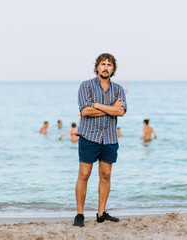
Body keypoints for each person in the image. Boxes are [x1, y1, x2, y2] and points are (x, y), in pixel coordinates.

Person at [73, 53, 127, 227]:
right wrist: (111, 108)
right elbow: (85, 111)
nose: (105, 67)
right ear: (97, 67)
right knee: (84, 174)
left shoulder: (118, 89)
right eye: (103, 64)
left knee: (106, 175)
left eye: (109, 65)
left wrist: (96, 105)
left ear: (113, 69)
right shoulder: (86, 85)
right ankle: (80, 214)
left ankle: (101, 213)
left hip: (110, 138)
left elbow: (121, 112)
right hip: (89, 136)